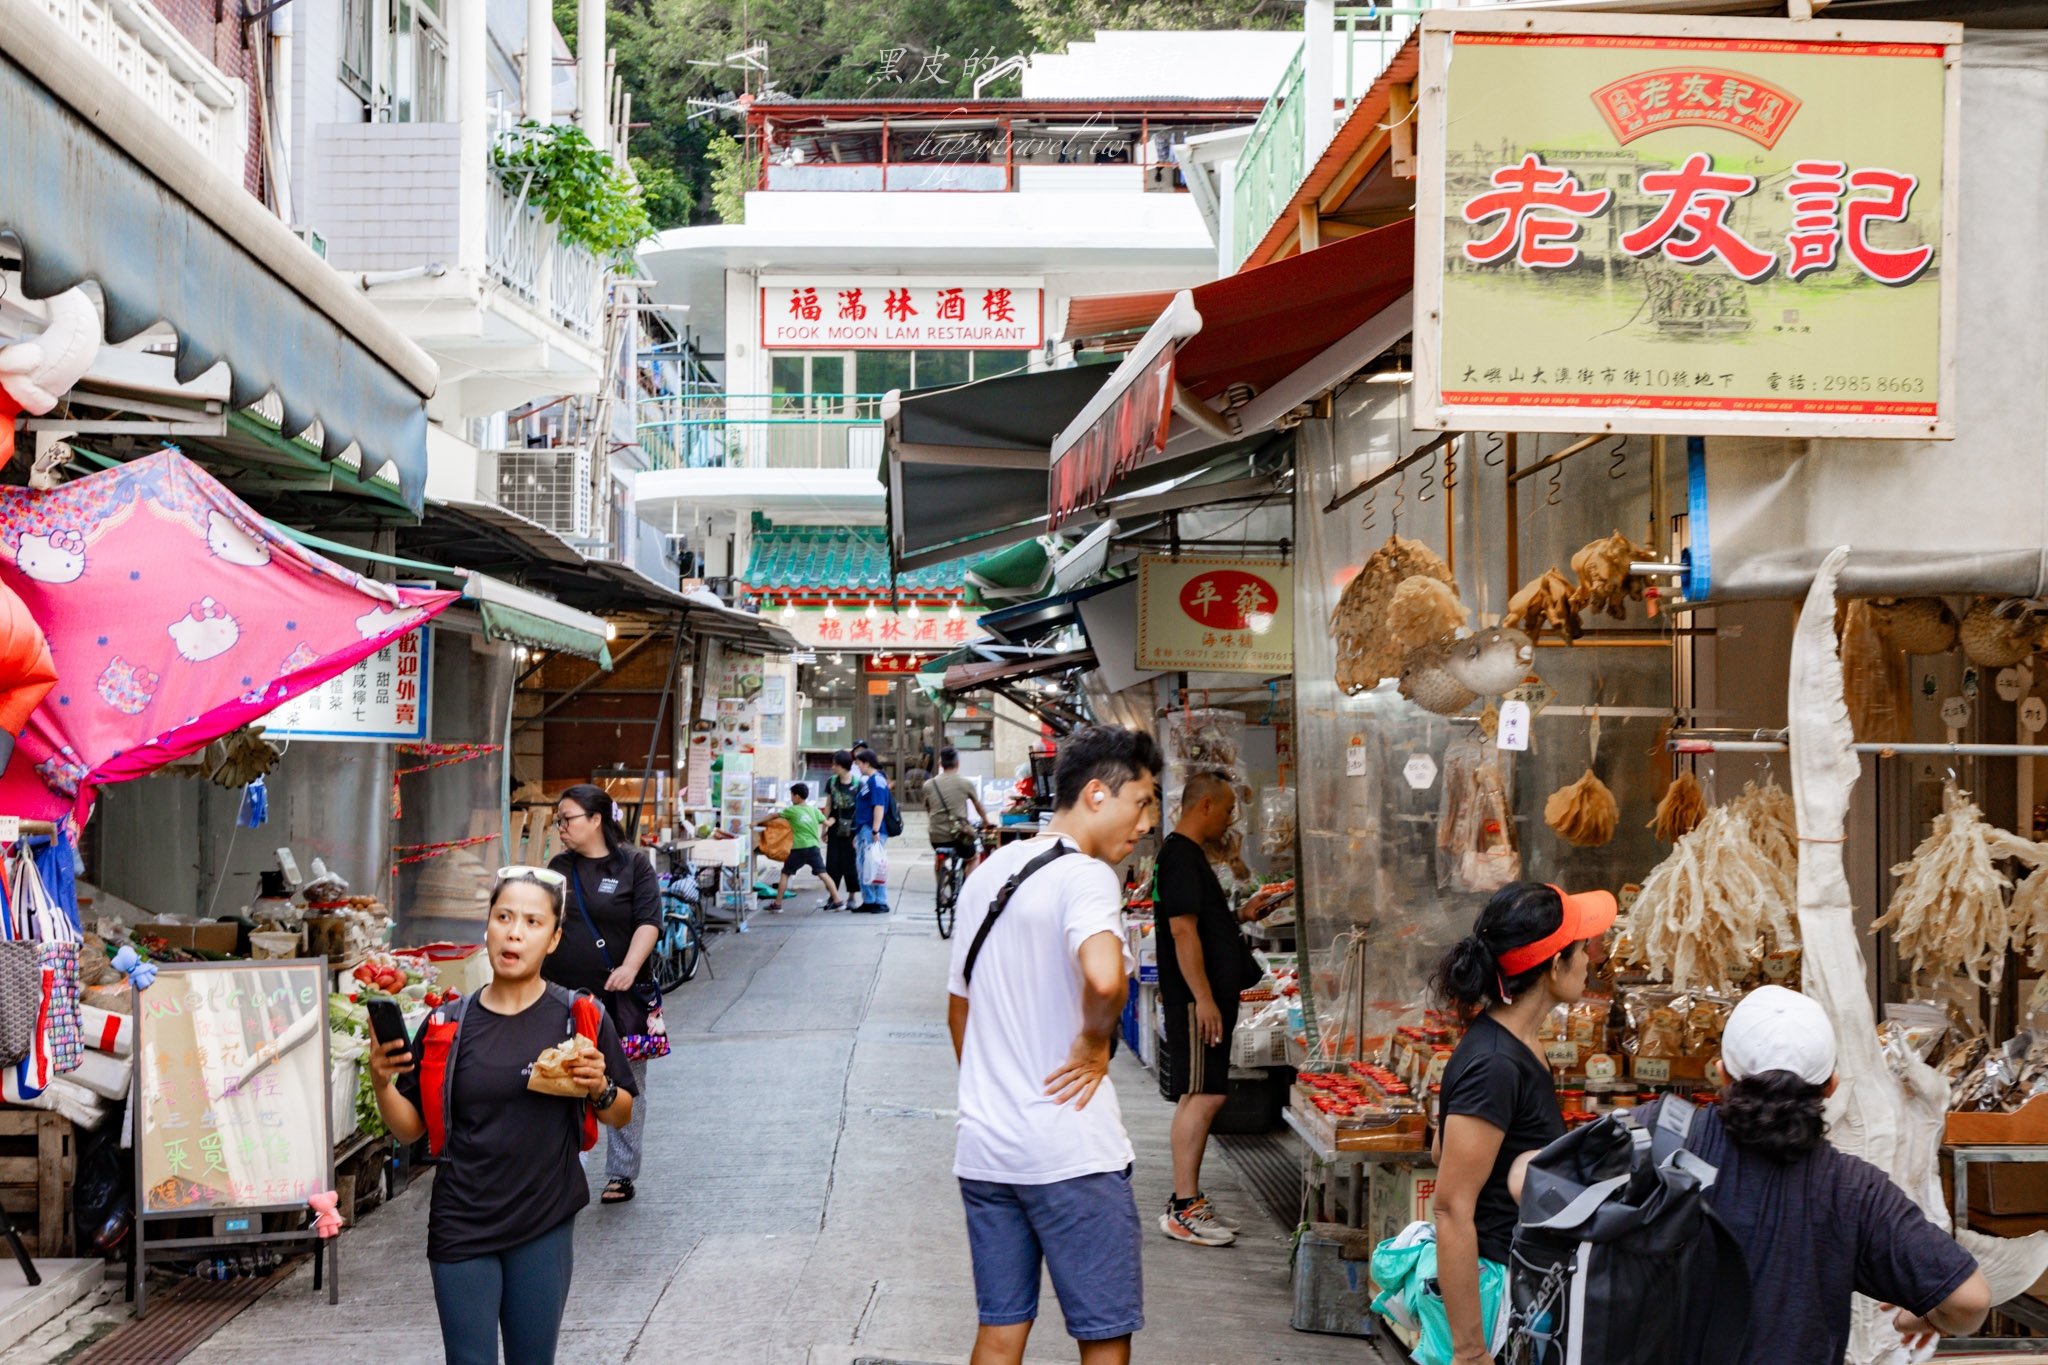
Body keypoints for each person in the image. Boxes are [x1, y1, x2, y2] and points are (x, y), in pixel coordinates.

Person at [947, 725, 1162, 1365]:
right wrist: (1097, 1044)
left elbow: (960, 1005)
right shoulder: (1088, 876)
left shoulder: (989, 874)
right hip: (1072, 1153)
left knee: (1000, 1330)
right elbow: (1104, 976)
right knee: (1102, 1335)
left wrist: (995, 1090)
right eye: (1143, 802)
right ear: (1097, 794)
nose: (1147, 823)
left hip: (987, 1150)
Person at [367, 866, 638, 1365]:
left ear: (553, 939)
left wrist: (599, 1085)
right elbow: (411, 1129)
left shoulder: (579, 1016)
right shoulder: (448, 1023)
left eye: (533, 922)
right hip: (461, 1219)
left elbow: (620, 1114)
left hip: (545, 1217)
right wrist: (382, 1081)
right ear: (487, 927)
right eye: (504, 917)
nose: (515, 932)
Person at [1643, 986, 1989, 1365]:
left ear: (1722, 1074)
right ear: (1830, 1086)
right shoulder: (1855, 1189)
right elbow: (1970, 1300)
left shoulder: (1654, 1137)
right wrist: (1926, 1317)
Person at [1429, 882, 1613, 1365]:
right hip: (1496, 1304)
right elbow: (1450, 1208)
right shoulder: (1496, 1063)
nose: (1591, 959)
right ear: (1555, 965)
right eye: (1582, 949)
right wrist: (1470, 1353)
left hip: (1525, 1285)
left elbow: (1439, 1150)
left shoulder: (1516, 1043)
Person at [1154, 771, 1290, 1246]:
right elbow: (1182, 932)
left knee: (1205, 1092)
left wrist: (1242, 914)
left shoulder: (1188, 857)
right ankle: (1184, 1206)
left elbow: (1202, 925)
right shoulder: (1178, 857)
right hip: (1197, 997)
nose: (1232, 818)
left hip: (1206, 994)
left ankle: (1187, 1203)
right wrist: (1205, 998)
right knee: (1204, 1094)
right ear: (1205, 805)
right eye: (1229, 808)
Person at [545, 784, 660, 1205]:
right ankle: (566, 1167)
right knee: (564, 1079)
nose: (560, 827)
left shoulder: (634, 864)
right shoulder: (559, 866)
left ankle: (621, 1174)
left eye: (567, 818)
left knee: (625, 1083)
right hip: (564, 995)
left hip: (620, 998)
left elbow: (649, 921)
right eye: (558, 819)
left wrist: (630, 967)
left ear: (596, 820)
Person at [757, 781, 843, 909]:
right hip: (813, 848)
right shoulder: (814, 811)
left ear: (797, 796)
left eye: (791, 795)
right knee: (823, 874)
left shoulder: (791, 810)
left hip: (798, 849)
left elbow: (773, 816)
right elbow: (828, 823)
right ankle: (837, 901)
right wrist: (833, 819)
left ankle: (778, 904)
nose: (791, 798)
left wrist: (756, 823)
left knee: (785, 874)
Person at [925, 745, 991, 875]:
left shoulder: (929, 785)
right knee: (973, 858)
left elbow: (929, 808)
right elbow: (978, 806)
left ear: (940, 764)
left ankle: (941, 894)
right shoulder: (965, 783)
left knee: (939, 859)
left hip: (936, 835)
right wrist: (986, 822)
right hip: (959, 836)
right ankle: (966, 890)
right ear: (958, 763)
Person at [853, 746, 893, 914]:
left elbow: (879, 805)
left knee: (874, 864)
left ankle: (880, 901)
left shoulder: (877, 780)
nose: (858, 767)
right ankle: (869, 900)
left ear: (867, 763)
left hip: (871, 829)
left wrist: (875, 830)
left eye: (859, 764)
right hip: (865, 828)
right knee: (864, 865)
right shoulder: (872, 780)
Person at [824, 750, 862, 910]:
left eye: (835, 765)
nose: (833, 767)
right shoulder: (832, 782)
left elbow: (861, 809)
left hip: (851, 829)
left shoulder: (858, 784)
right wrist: (824, 827)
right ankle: (833, 896)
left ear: (844, 766)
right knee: (832, 863)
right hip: (834, 826)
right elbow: (828, 804)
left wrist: (859, 831)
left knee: (851, 863)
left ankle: (852, 897)